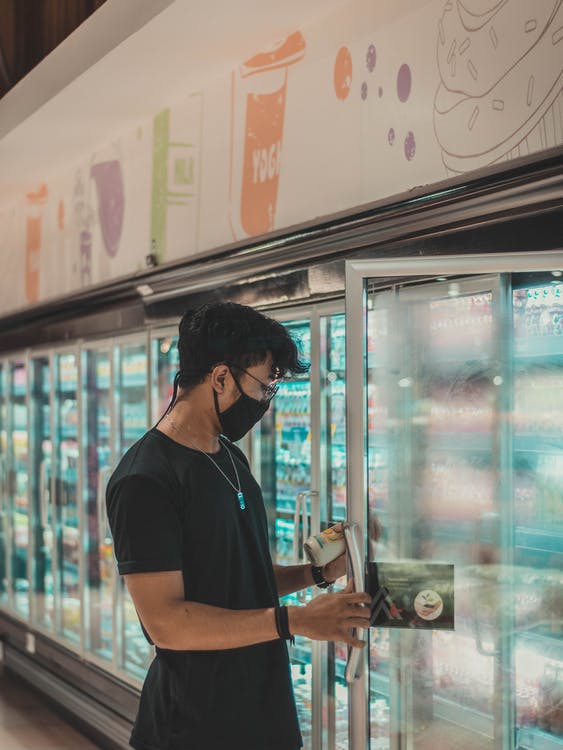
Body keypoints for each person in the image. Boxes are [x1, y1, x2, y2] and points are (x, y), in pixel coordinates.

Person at [106, 302, 371, 750]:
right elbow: (167, 623)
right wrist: (296, 620)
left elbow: (238, 580)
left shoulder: (230, 458)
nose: (266, 400)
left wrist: (320, 572)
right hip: (195, 726)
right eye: (264, 386)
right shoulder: (145, 480)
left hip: (263, 714)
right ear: (221, 377)